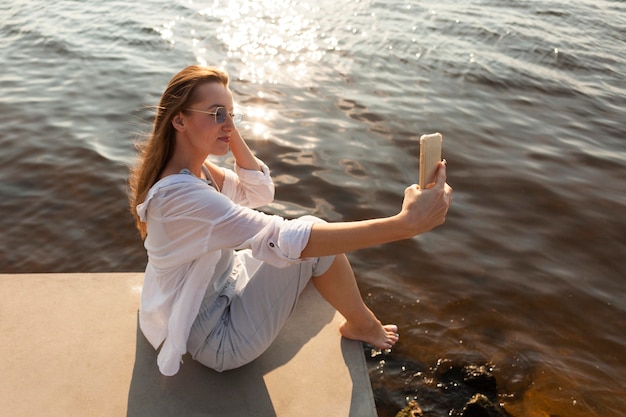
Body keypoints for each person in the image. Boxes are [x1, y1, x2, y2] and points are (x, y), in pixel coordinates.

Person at [129, 65, 453, 376]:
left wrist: (226, 130)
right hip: (215, 338)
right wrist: (403, 224)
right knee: (310, 240)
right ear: (179, 121)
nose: (229, 123)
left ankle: (360, 321)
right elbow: (281, 237)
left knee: (307, 239)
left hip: (220, 287)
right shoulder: (181, 196)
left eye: (232, 113)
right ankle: (363, 325)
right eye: (216, 114)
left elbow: (258, 192)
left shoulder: (192, 170)